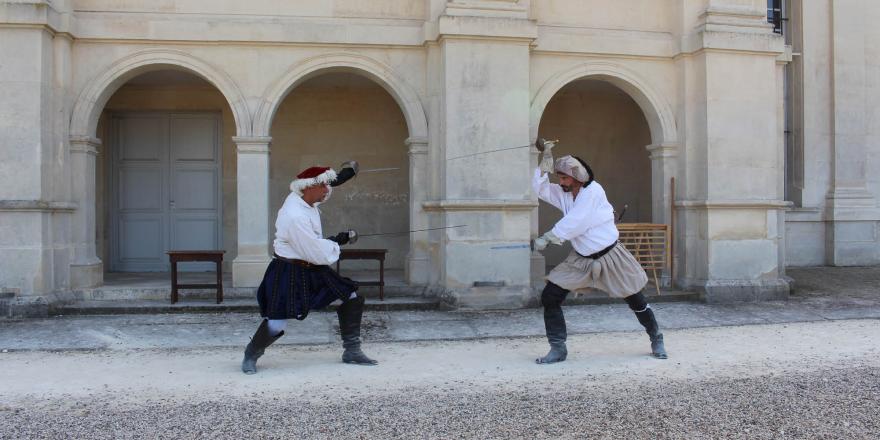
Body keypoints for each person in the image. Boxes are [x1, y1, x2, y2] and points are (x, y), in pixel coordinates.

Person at [532, 142, 667, 364]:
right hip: (580, 259)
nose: (560, 182)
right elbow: (540, 189)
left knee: (636, 299)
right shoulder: (565, 193)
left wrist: (548, 237)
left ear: (577, 177)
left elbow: (578, 221)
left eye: (564, 178)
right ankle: (558, 348)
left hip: (611, 256)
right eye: (559, 177)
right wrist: (544, 161)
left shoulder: (594, 191)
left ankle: (656, 337)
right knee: (550, 296)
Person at [241, 162, 378, 374]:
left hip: (310, 265)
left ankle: (351, 350)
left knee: (349, 296)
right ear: (308, 187)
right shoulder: (295, 216)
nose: (327, 190)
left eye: (328, 185)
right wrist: (338, 240)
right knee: (277, 323)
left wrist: (344, 175)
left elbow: (325, 186)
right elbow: (315, 252)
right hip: (288, 270)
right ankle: (251, 354)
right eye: (323, 186)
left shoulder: (304, 198)